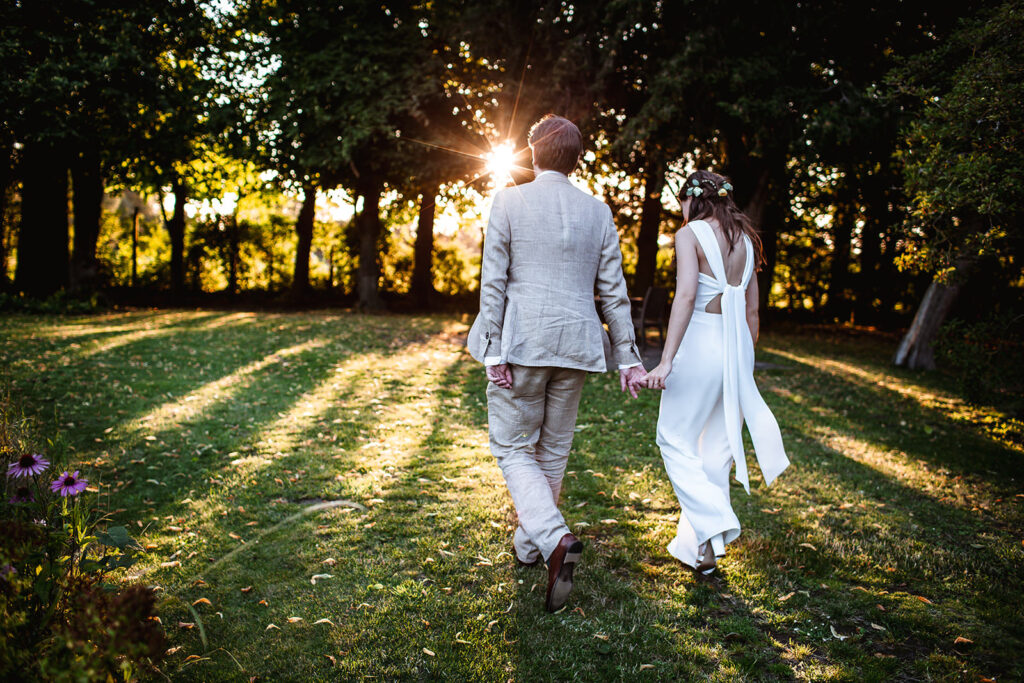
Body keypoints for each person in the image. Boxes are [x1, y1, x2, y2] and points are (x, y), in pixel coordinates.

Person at [467, 114, 647, 611]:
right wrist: (627, 356)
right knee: (552, 450)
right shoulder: (598, 211)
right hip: (576, 345)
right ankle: (529, 547)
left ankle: (552, 539)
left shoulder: (508, 200)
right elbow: (614, 292)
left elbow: (494, 282)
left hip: (523, 341)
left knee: (510, 445)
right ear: (575, 159)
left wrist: (493, 350)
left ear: (533, 152)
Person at [642, 170, 789, 574]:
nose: (681, 211)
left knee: (673, 439)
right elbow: (753, 311)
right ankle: (703, 553)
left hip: (702, 344)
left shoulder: (688, 234)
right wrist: (742, 359)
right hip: (738, 348)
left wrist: (667, 360)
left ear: (693, 199)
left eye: (682, 202)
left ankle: (716, 520)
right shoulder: (747, 239)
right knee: (716, 453)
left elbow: (686, 295)